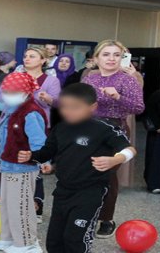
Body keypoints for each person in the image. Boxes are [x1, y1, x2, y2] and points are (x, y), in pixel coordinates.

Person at [19, 83, 136, 253]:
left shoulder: (104, 128)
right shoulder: (60, 128)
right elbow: (47, 152)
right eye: (65, 107)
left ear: (92, 107)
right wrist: (31, 156)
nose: (68, 111)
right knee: (54, 241)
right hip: (62, 191)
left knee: (75, 239)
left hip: (90, 192)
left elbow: (130, 149)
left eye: (75, 107)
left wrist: (115, 159)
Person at [0, 72, 46, 253]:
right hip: (7, 165)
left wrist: (34, 156)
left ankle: (27, 243)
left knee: (20, 206)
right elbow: (10, 138)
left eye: (13, 91)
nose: (7, 95)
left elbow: (40, 142)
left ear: (26, 92)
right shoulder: (11, 110)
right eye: (6, 91)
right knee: (7, 205)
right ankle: (9, 239)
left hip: (22, 168)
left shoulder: (30, 112)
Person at [80, 41, 144, 236]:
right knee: (85, 173)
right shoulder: (90, 78)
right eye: (106, 54)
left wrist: (117, 97)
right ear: (96, 58)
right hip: (90, 128)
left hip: (115, 130)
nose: (111, 59)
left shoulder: (127, 79)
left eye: (116, 55)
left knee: (106, 174)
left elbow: (138, 107)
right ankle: (87, 214)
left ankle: (106, 218)